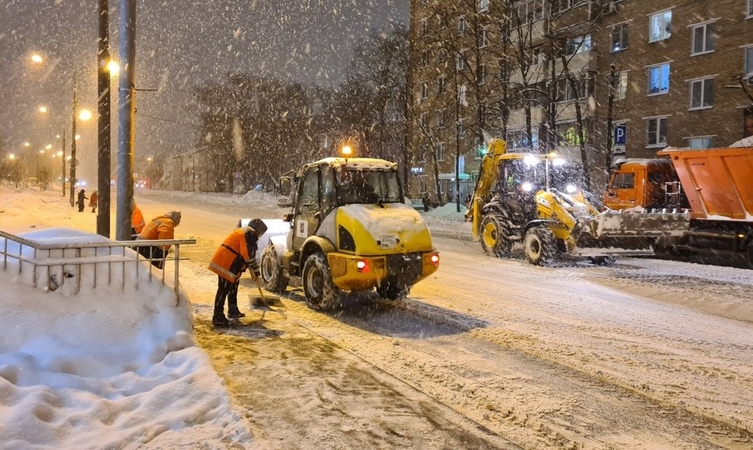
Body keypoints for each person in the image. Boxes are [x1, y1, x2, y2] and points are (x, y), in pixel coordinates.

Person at [208, 218, 268, 328]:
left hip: (229, 263)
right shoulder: (250, 234)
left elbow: (248, 255)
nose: (260, 236)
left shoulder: (246, 232)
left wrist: (254, 271)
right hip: (227, 263)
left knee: (233, 286)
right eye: (261, 233)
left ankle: (233, 310)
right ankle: (218, 316)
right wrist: (255, 271)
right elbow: (249, 256)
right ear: (258, 229)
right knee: (223, 289)